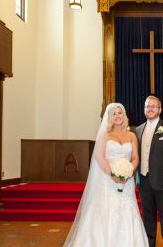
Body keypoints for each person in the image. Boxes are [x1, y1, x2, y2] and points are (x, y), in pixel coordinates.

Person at [64, 103, 149, 247]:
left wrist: (129, 171)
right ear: (109, 118)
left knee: (128, 209)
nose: (117, 116)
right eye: (114, 114)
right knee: (106, 210)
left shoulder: (131, 135)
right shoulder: (105, 135)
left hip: (127, 181)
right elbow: (99, 156)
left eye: (120, 113)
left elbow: (135, 157)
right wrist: (113, 174)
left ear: (124, 115)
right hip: (108, 179)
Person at [135, 96, 163, 247]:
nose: (150, 108)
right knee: (148, 220)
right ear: (144, 109)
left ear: (160, 109)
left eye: (154, 106)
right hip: (144, 181)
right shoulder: (138, 130)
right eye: (147, 106)